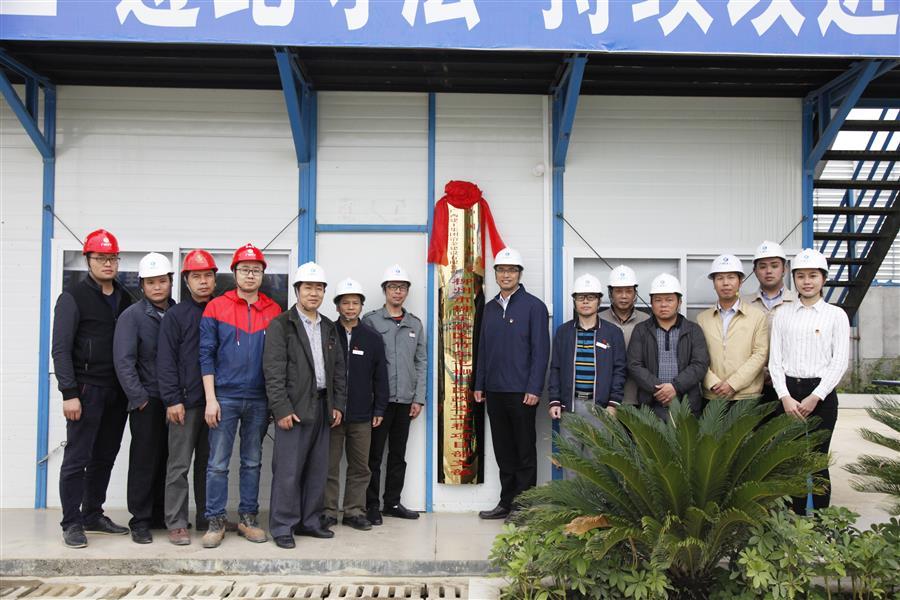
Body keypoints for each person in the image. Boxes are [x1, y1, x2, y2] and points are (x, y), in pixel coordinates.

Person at [52, 229, 133, 548]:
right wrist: (69, 392)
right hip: (86, 390)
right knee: (77, 457)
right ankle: (71, 522)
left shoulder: (125, 297)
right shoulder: (73, 297)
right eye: (101, 257)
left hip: (117, 391)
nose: (108, 263)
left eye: (112, 258)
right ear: (88, 259)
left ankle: (92, 514)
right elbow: (60, 349)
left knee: (105, 456)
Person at [199, 243, 281, 548]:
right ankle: (215, 520)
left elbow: (278, 360)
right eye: (245, 269)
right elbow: (205, 355)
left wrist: (273, 400)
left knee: (252, 461)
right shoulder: (215, 307)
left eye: (256, 270)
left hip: (259, 398)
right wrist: (211, 399)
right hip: (225, 396)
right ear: (234, 273)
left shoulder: (273, 310)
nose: (250, 275)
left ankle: (248, 518)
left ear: (262, 275)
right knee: (218, 463)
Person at [264, 262, 347, 549]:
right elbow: (273, 371)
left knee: (316, 469)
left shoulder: (328, 326)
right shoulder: (281, 324)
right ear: (297, 290)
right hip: (294, 407)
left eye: (319, 288)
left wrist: (338, 404)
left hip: (323, 406)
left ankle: (310, 521)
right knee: (288, 471)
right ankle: (283, 526)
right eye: (308, 287)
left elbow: (338, 370)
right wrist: (281, 408)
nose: (314, 293)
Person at [769, 248, 849, 514]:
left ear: (823, 278)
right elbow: (775, 361)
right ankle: (797, 521)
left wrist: (817, 396)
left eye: (813, 275)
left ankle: (822, 523)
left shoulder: (836, 315)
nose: (807, 281)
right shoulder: (783, 314)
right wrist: (785, 397)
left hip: (822, 395)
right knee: (792, 461)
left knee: (818, 461)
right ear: (794, 279)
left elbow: (839, 362)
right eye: (801, 276)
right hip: (789, 393)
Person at [474, 247, 550, 520]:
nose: (506, 275)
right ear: (495, 274)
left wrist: (534, 388)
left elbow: (541, 351)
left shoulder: (534, 307)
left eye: (511, 270)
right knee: (504, 450)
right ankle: (506, 502)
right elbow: (482, 348)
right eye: (501, 270)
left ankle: (524, 506)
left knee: (524, 451)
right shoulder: (489, 308)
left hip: (522, 392)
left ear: (519, 274)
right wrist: (479, 383)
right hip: (494, 390)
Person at [157, 249, 219, 546]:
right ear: (186, 280)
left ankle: (208, 517)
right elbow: (165, 360)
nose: (203, 281)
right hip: (185, 402)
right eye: (197, 276)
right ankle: (177, 522)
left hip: (216, 402)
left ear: (215, 279)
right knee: (179, 465)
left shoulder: (222, 309)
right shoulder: (176, 315)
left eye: (208, 275)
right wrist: (172, 399)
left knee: (210, 464)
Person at [113, 252, 175, 544]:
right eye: (151, 282)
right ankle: (140, 520)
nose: (157, 287)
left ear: (171, 281)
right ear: (142, 285)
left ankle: (160, 514)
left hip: (173, 400)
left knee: (167, 459)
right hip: (147, 400)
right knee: (144, 460)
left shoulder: (176, 313)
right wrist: (139, 399)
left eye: (162, 281)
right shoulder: (133, 316)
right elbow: (123, 362)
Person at [323, 279, 389, 532]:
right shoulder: (327, 333)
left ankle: (354, 511)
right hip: (333, 414)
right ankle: (328, 511)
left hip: (362, 414)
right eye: (345, 303)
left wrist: (379, 408)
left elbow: (380, 376)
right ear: (337, 306)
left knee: (360, 467)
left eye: (355, 303)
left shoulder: (372, 337)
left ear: (362, 306)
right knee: (328, 466)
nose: (350, 307)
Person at [362, 264, 426, 525]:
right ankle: (371, 505)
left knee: (398, 455)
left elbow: (421, 362)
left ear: (407, 291)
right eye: (392, 287)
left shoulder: (415, 324)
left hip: (405, 401)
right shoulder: (371, 321)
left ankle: (393, 502)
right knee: (374, 456)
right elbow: (364, 363)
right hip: (379, 402)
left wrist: (418, 398)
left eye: (402, 287)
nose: (397, 291)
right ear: (385, 290)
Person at [549, 273, 626, 474]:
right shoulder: (564, 332)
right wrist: (555, 400)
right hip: (570, 407)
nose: (585, 302)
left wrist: (613, 403)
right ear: (574, 301)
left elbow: (620, 370)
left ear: (599, 301)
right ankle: (573, 497)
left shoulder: (612, 333)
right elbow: (555, 368)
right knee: (572, 463)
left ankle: (595, 499)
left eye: (591, 297)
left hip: (599, 408)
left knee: (598, 466)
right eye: (580, 297)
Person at [627, 273, 709, 421]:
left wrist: (675, 387)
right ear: (651, 302)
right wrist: (660, 389)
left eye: (669, 300)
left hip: (686, 405)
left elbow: (700, 364)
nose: (663, 304)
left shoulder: (693, 330)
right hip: (651, 405)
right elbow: (634, 364)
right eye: (658, 300)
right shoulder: (641, 330)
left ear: (679, 302)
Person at [697, 255, 769, 409]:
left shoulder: (757, 316)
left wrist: (732, 384)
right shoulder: (702, 319)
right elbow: (697, 357)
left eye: (731, 277)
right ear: (714, 283)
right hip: (712, 395)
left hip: (747, 396)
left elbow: (760, 354)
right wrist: (713, 383)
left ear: (740, 281)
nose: (726, 283)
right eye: (720, 278)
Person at [741, 240, 797, 408]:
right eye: (763, 266)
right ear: (755, 271)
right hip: (751, 383)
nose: (769, 271)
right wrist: (759, 370)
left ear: (784, 269)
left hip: (790, 382)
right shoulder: (743, 304)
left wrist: (778, 372)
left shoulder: (798, 302)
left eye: (774, 265)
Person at [599, 265, 649, 407]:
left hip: (638, 397)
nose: (624, 296)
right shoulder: (598, 320)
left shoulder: (647, 321)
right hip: (605, 397)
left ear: (635, 293)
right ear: (610, 293)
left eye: (628, 291)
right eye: (618, 291)